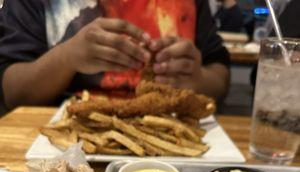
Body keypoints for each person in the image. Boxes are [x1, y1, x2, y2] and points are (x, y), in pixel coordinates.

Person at [0, 0, 230, 112]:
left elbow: (220, 79)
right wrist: (67, 57)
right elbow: (12, 92)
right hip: (64, 149)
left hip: (176, 138)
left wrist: (198, 79)